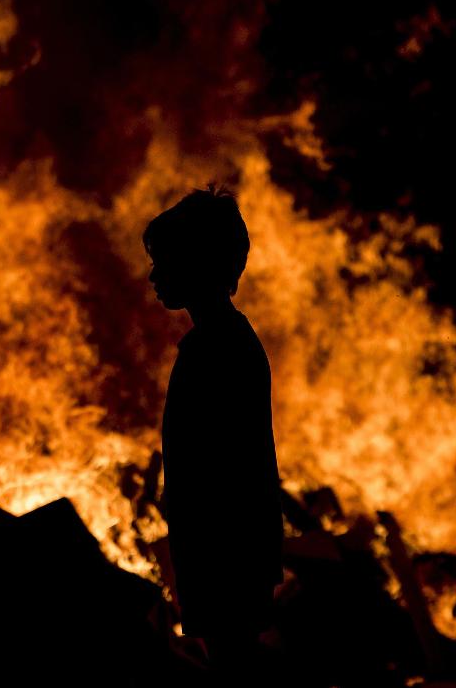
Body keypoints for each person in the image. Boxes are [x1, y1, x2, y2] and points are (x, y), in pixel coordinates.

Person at [143, 187, 283, 683]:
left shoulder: (215, 350)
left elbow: (225, 470)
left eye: (165, 261)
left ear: (198, 263)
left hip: (226, 557)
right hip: (229, 555)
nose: (155, 276)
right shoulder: (224, 341)